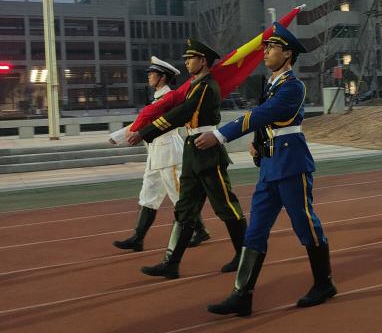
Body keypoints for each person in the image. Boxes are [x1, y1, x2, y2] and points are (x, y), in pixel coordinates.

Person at [199, 23, 335, 317]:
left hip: (291, 165)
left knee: (305, 225)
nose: (266, 52)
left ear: (287, 54)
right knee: (256, 230)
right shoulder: (272, 86)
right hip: (270, 167)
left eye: (272, 48)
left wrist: (220, 135)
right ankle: (242, 294)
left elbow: (263, 114)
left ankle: (324, 283)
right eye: (267, 47)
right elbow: (265, 123)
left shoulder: (293, 87)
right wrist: (258, 144)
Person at [130, 38, 247, 278]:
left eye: (190, 58)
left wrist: (145, 131)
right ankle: (171, 263)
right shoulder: (195, 85)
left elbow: (183, 112)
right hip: (193, 149)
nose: (186, 62)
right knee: (184, 209)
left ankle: (244, 255)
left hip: (208, 152)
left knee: (225, 205)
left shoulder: (206, 87)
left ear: (203, 61)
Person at [111, 57, 211, 251]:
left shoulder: (169, 98)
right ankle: (138, 238)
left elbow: (152, 123)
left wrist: (120, 136)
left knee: (179, 196)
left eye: (152, 74)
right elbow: (144, 121)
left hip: (169, 153)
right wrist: (118, 136)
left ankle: (200, 231)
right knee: (148, 196)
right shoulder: (159, 99)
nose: (149, 77)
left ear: (162, 77)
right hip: (156, 154)